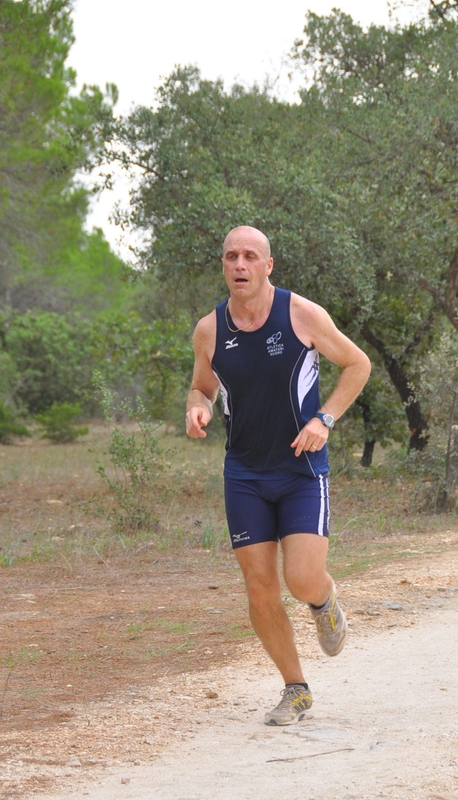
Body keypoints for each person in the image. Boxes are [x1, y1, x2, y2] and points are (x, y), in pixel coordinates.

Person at [185, 226, 371, 726]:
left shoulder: (301, 315)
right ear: (223, 266)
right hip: (244, 472)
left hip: (301, 470)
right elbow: (201, 388)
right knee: (259, 585)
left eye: (250, 256)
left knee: (302, 578)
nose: (239, 264)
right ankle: (296, 688)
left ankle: (324, 601)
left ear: (269, 266)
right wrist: (196, 408)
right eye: (231, 256)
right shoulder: (209, 330)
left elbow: (357, 364)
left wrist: (324, 418)